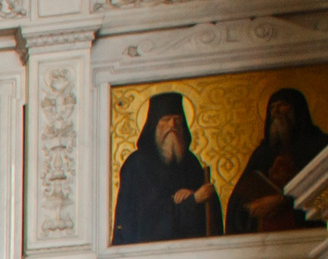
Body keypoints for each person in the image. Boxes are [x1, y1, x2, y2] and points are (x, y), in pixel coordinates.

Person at [112, 91, 219, 244]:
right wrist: (192, 201)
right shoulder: (137, 164)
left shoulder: (191, 163)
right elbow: (144, 222)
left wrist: (199, 196)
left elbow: (208, 217)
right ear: (154, 125)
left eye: (177, 119)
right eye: (166, 120)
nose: (172, 125)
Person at [227, 88, 327, 235]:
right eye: (273, 108)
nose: (276, 112)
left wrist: (285, 201)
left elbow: (324, 194)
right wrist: (250, 206)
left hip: (311, 236)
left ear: (298, 109)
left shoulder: (318, 145)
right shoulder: (263, 153)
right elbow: (237, 200)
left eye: (282, 105)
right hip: (266, 239)